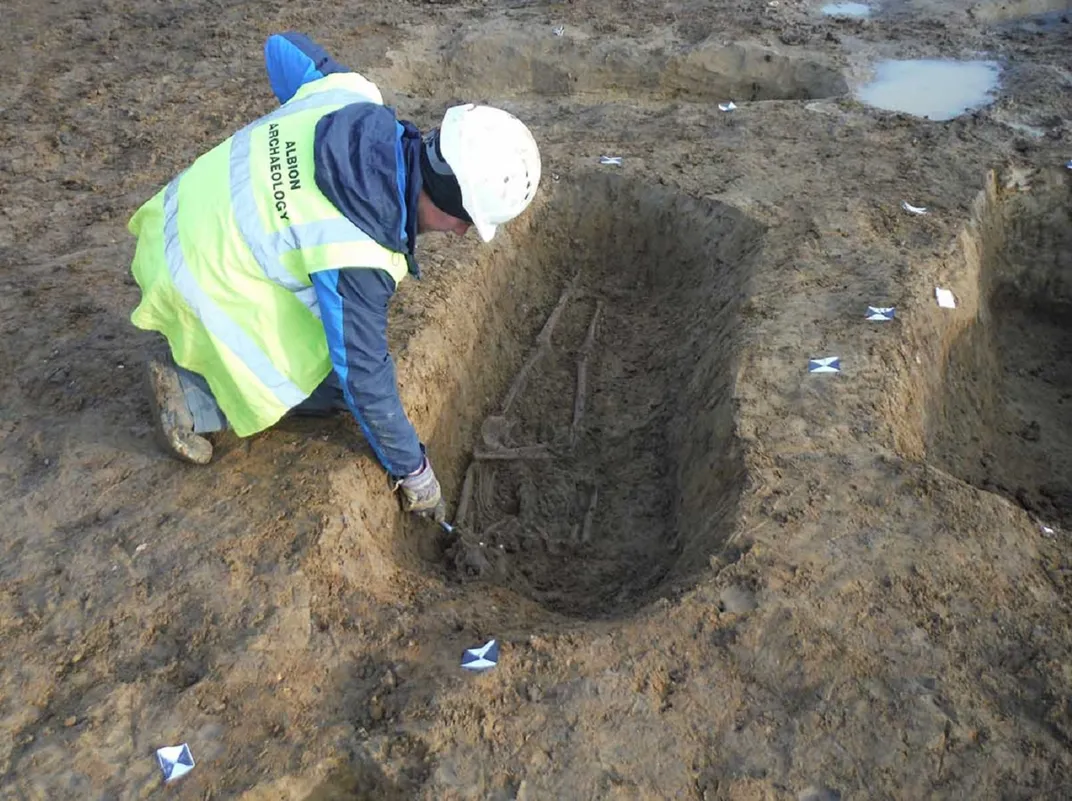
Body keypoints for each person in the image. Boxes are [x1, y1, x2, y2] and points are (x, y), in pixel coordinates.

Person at [126, 32, 541, 523]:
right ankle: (196, 398)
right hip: (198, 292)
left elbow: (282, 47)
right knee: (336, 382)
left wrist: (287, 146)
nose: (459, 235)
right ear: (452, 205)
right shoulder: (358, 252)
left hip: (163, 234)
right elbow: (365, 378)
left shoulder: (347, 96)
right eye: (466, 223)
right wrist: (415, 472)